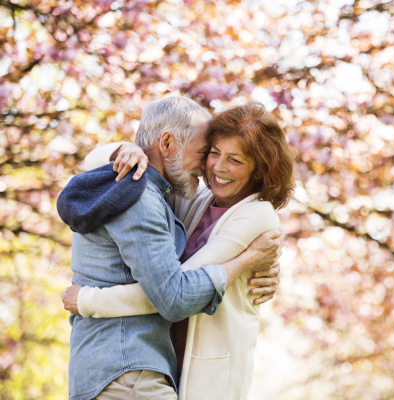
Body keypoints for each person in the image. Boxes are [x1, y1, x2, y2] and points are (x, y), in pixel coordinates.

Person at [63, 101, 295, 400]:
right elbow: (97, 161)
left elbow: (175, 289)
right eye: (211, 152)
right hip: (145, 363)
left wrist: (91, 300)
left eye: (235, 160)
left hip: (206, 370)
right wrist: (126, 151)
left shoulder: (258, 216)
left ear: (259, 170)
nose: (214, 166)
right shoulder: (191, 197)